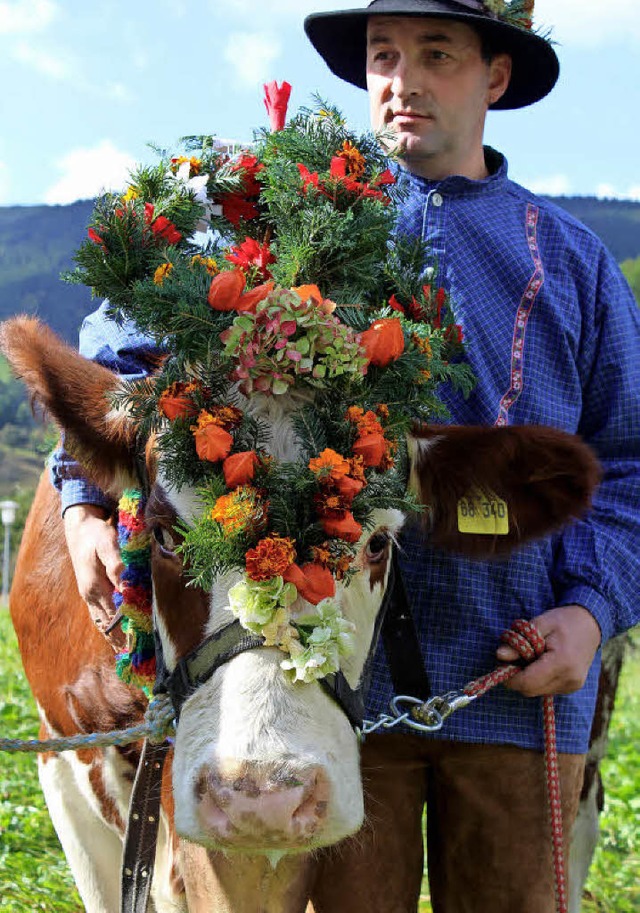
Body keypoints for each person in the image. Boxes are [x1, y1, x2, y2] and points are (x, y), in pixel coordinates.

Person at [49, 2, 640, 911]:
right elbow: (123, 347)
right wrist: (81, 499)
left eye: (437, 54)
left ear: (497, 76)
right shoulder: (294, 215)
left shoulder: (572, 264)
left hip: (519, 680)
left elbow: (631, 463)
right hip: (324, 698)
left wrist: (593, 613)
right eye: (384, 54)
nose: (403, 80)